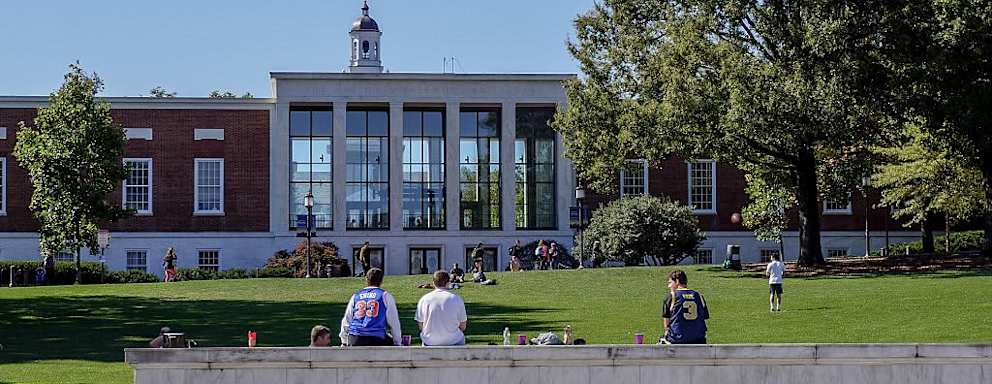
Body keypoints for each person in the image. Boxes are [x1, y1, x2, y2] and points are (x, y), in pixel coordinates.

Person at [339, 268, 402, 346]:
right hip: (376, 337)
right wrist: (397, 342)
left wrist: (344, 341)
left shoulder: (356, 296)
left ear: (366, 279)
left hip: (355, 337)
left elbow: (347, 319)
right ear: (381, 280)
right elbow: (394, 321)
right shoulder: (384, 295)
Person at [415, 270, 468, 346]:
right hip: (453, 341)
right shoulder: (456, 299)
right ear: (448, 283)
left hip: (429, 341)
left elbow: (421, 326)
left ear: (433, 283)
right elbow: (463, 326)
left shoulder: (424, 299)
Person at [661, 269, 709, 344]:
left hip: (677, 339)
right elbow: (704, 317)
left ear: (677, 281)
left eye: (670, 283)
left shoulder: (672, 296)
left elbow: (666, 325)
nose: (669, 286)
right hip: (699, 339)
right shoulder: (699, 296)